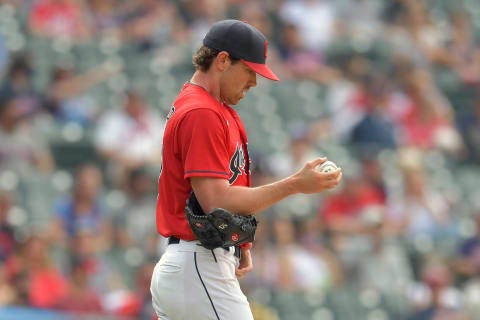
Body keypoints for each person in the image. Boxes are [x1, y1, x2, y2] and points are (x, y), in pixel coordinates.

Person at [151, 19, 342, 320]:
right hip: (198, 263)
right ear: (223, 60)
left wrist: (240, 241)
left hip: (195, 264)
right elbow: (215, 200)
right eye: (251, 71)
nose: (254, 82)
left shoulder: (213, 108)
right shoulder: (202, 112)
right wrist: (294, 184)